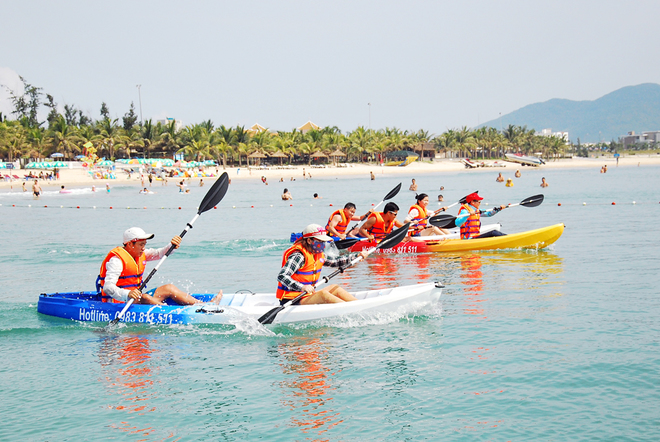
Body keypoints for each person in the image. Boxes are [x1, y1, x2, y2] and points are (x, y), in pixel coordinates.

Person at [97, 227, 222, 305]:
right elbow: (108, 287)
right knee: (145, 297)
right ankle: (165, 310)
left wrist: (172, 245)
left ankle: (204, 305)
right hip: (116, 301)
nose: (144, 247)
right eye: (141, 244)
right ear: (130, 244)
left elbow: (160, 253)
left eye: (145, 244)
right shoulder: (116, 261)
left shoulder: (141, 254)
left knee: (169, 288)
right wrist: (127, 294)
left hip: (135, 297)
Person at [277, 224, 369, 305]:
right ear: (309, 241)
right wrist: (302, 287)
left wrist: (357, 255)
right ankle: (350, 310)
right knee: (323, 295)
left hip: (307, 295)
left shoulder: (318, 254)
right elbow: (282, 276)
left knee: (335, 288)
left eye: (323, 241)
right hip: (292, 299)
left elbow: (336, 261)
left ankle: (359, 306)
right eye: (320, 241)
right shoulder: (299, 256)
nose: (323, 244)